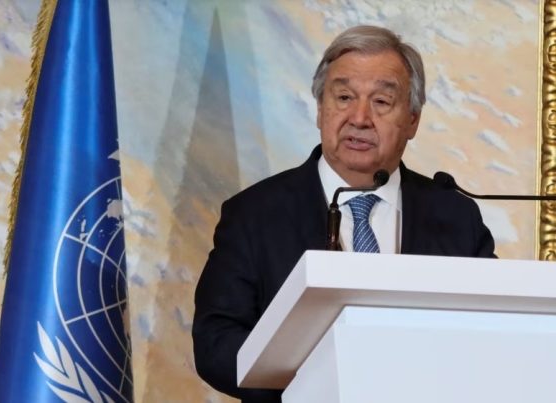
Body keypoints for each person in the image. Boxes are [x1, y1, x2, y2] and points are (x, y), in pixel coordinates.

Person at [192, 25, 496, 403]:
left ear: (413, 119)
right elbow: (216, 342)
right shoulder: (254, 214)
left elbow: (494, 331)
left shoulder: (456, 217)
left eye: (382, 101)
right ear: (321, 109)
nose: (360, 118)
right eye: (344, 97)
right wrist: (314, 377)